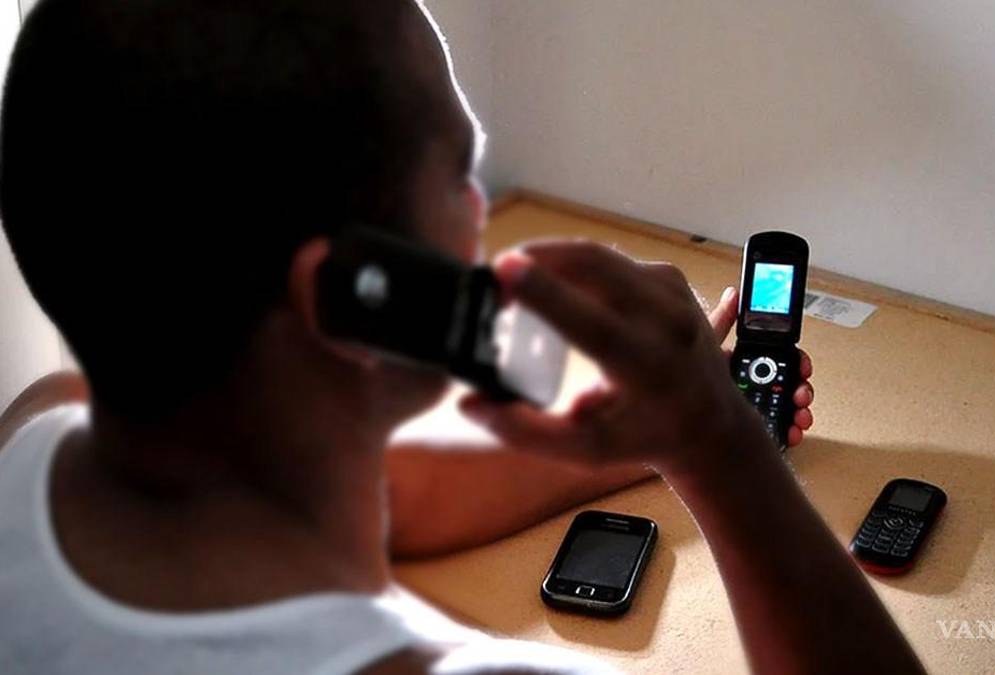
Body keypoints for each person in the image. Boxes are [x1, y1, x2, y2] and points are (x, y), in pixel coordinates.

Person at [0, 0, 923, 673]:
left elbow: (406, 490)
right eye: (455, 174)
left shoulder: (36, 432)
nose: (481, 212)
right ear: (350, 293)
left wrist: (659, 430)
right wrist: (727, 456)